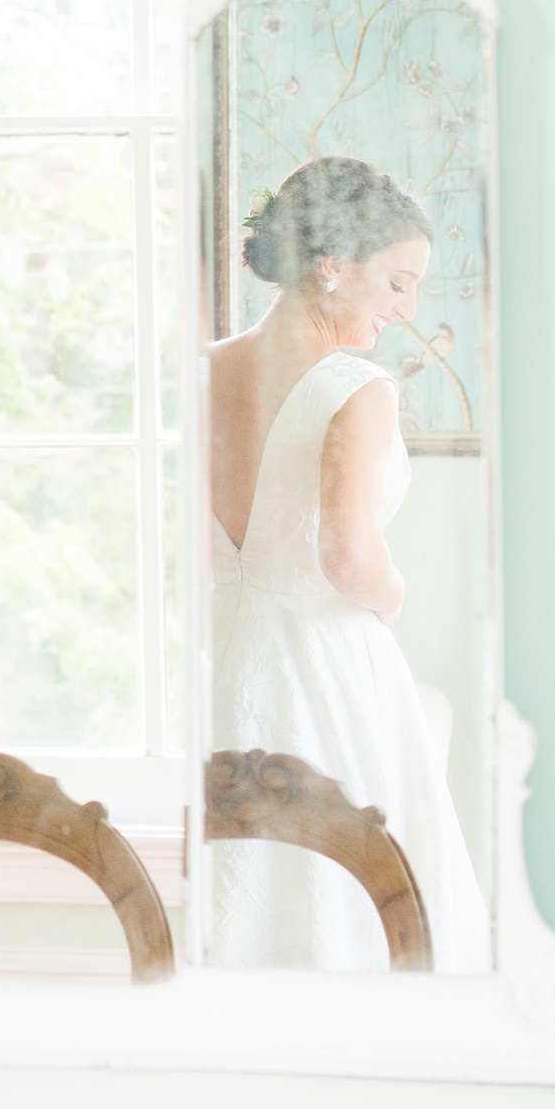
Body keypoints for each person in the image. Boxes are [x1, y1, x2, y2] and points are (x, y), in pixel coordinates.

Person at [207, 155, 490, 972]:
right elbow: (349, 558)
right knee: (360, 900)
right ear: (332, 265)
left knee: (249, 881)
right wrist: (392, 593)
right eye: (398, 283)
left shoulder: (202, 367)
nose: (405, 310)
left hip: (225, 652)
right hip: (323, 664)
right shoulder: (353, 386)